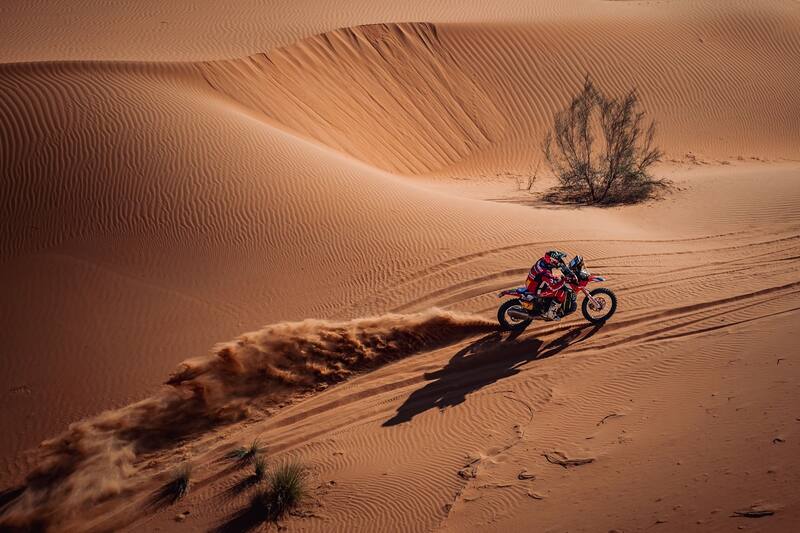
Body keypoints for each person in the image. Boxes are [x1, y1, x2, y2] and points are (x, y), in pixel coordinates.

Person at [524, 250, 576, 320]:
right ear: (551, 261)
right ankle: (550, 314)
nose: (557, 262)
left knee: (557, 281)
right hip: (536, 290)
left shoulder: (542, 260)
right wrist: (564, 280)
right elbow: (553, 288)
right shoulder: (545, 272)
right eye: (557, 261)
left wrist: (562, 267)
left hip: (532, 283)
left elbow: (554, 269)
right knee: (561, 292)